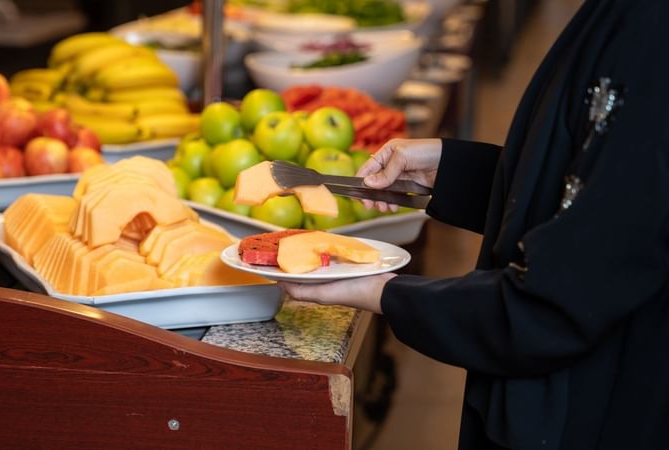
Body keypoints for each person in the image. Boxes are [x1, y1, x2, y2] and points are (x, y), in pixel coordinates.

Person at [278, 1, 669, 449]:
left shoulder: (653, 34)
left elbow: (551, 307)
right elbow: (585, 202)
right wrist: (450, 170)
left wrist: (380, 291)